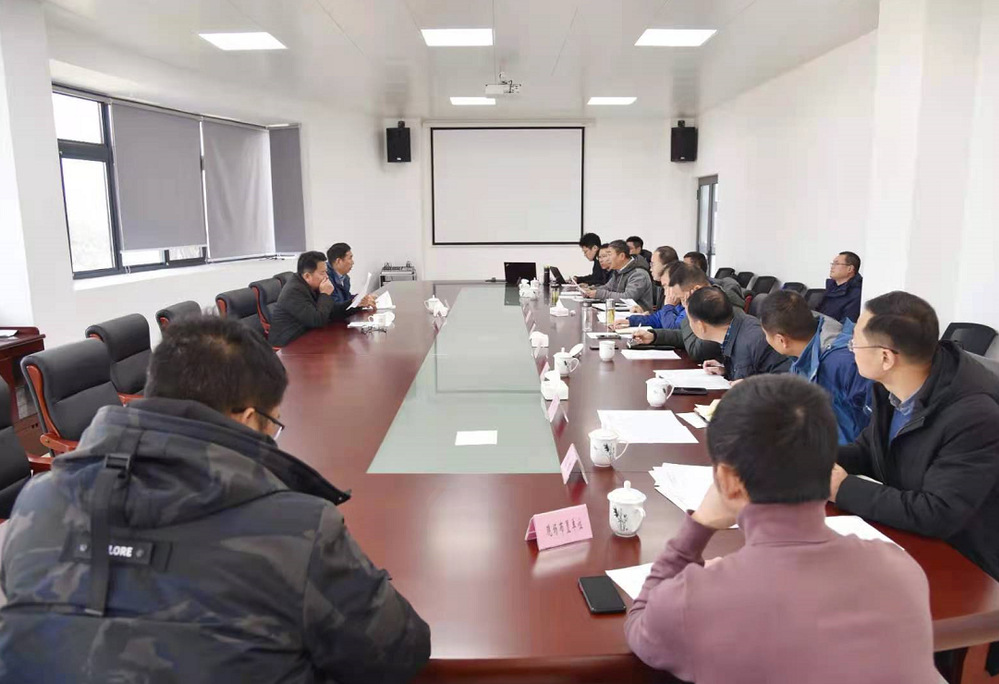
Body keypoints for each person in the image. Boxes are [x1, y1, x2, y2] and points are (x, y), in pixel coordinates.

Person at [0, 317, 431, 682]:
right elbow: (398, 652)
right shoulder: (295, 529)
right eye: (274, 424)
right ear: (248, 419)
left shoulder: (38, 501)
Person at [625, 375, 938, 684]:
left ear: (728, 480)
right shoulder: (901, 569)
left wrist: (699, 525)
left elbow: (640, 624)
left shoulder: (693, 600)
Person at [831, 291, 999, 583]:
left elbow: (939, 512)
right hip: (913, 539)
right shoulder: (892, 386)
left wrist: (841, 489)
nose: (851, 350)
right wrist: (810, 457)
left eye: (855, 343)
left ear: (885, 357)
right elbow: (870, 450)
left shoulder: (974, 416)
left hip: (966, 564)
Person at [760, 290, 872, 444]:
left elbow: (875, 422)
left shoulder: (843, 362)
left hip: (846, 453)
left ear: (781, 340)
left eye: (766, 335)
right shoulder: (808, 347)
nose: (766, 340)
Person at [631, 264, 743, 362]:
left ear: (696, 289)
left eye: (682, 298)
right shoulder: (705, 302)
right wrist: (655, 336)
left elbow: (697, 350)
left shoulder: (720, 307)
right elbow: (687, 335)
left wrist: (688, 310)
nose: (682, 303)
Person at [269, 251, 375, 347]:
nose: (326, 276)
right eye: (322, 273)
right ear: (307, 276)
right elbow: (317, 320)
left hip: (308, 337)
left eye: (326, 272)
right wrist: (325, 294)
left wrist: (355, 303)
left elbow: (332, 312)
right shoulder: (294, 291)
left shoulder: (311, 285)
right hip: (289, 347)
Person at [686, 287, 791, 380]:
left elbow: (787, 383)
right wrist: (727, 370)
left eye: (689, 320)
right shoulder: (736, 329)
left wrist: (752, 386)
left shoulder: (755, 340)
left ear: (701, 326)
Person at [580, 240, 654, 312]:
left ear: (621, 256)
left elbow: (627, 297)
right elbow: (608, 287)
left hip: (639, 315)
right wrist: (590, 290)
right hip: (621, 311)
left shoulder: (638, 274)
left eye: (609, 255)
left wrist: (599, 294)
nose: (607, 259)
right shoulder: (618, 270)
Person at [616, 261, 685, 330]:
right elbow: (656, 319)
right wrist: (630, 321)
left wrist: (668, 306)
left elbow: (672, 330)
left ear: (679, 284)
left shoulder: (687, 308)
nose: (665, 293)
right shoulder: (677, 305)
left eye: (666, 286)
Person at [817, 251, 863, 323]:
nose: (832, 267)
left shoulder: (856, 294)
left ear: (850, 269)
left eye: (836, 264)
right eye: (832, 264)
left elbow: (847, 325)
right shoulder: (831, 288)